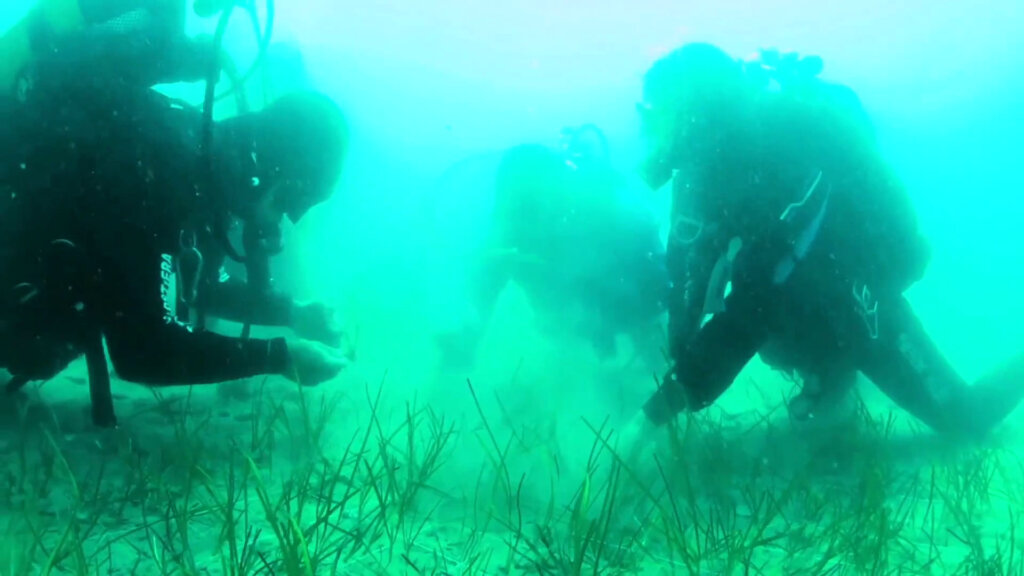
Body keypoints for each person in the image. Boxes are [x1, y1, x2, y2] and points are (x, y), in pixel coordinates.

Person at [624, 42, 1024, 444]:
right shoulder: (698, 173)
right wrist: (680, 346)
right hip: (799, 290)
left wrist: (655, 413)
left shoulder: (782, 149)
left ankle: (838, 364)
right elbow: (688, 268)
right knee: (783, 339)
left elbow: (758, 304)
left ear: (696, 113)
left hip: (854, 278)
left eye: (657, 114)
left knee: (966, 421)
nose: (648, 130)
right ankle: (832, 370)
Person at [0, 77, 350, 425]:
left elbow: (203, 286)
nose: (284, 220)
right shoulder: (156, 174)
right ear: (268, 169)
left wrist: (292, 312)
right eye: (291, 199)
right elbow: (143, 351)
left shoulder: (199, 167)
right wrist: (278, 357)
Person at [435, 124, 670, 369]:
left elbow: (654, 274)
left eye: (532, 207)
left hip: (634, 309)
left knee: (656, 363)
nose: (526, 223)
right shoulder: (509, 226)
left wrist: (614, 319)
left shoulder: (601, 208)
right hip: (570, 326)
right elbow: (486, 278)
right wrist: (469, 333)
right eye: (520, 209)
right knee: (574, 375)